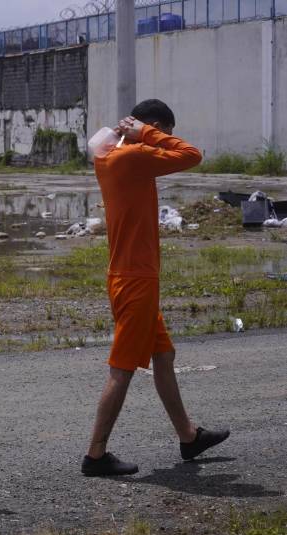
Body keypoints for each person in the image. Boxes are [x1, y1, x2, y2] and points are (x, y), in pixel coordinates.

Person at [81, 100, 230, 476]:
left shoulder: (110, 155)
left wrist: (136, 132)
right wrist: (147, 133)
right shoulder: (134, 156)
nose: (165, 140)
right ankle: (95, 455)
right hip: (136, 280)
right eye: (165, 132)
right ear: (155, 126)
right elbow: (191, 155)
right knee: (122, 368)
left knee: (163, 356)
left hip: (128, 275)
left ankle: (189, 437)